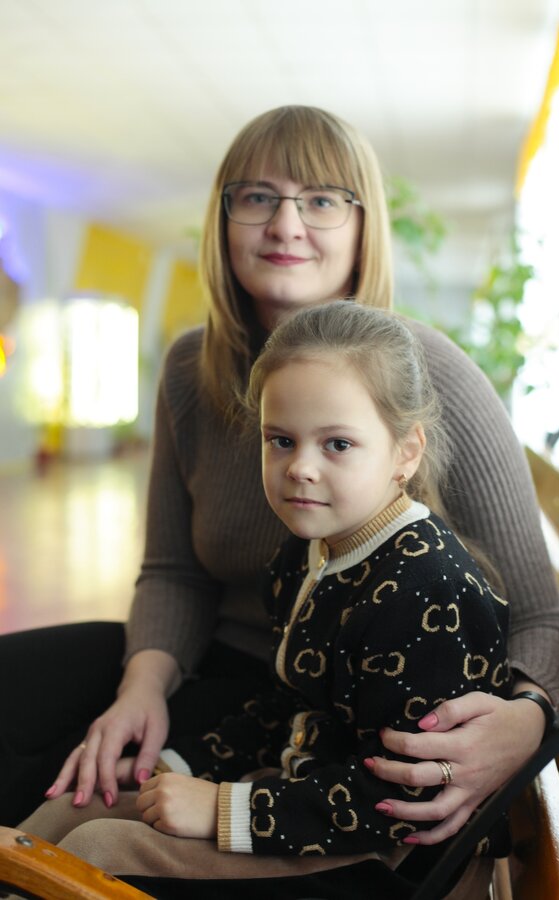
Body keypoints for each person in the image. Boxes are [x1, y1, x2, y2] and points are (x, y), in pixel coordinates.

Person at [0, 106, 559, 843]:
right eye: (258, 197)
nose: (286, 225)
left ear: (364, 225)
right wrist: (142, 686)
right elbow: (175, 570)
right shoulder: (188, 369)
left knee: (80, 811)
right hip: (228, 672)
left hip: (349, 709)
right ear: (224, 217)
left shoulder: (434, 379)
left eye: (323, 200)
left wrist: (527, 720)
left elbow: (537, 615)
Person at [19, 302, 512, 899]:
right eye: (281, 440)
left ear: (405, 452)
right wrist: (175, 766)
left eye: (337, 444)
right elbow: (286, 707)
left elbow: (404, 800)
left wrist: (226, 809)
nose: (300, 467)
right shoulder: (307, 553)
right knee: (58, 823)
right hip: (304, 799)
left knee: (96, 851)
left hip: (387, 856)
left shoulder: (425, 588)